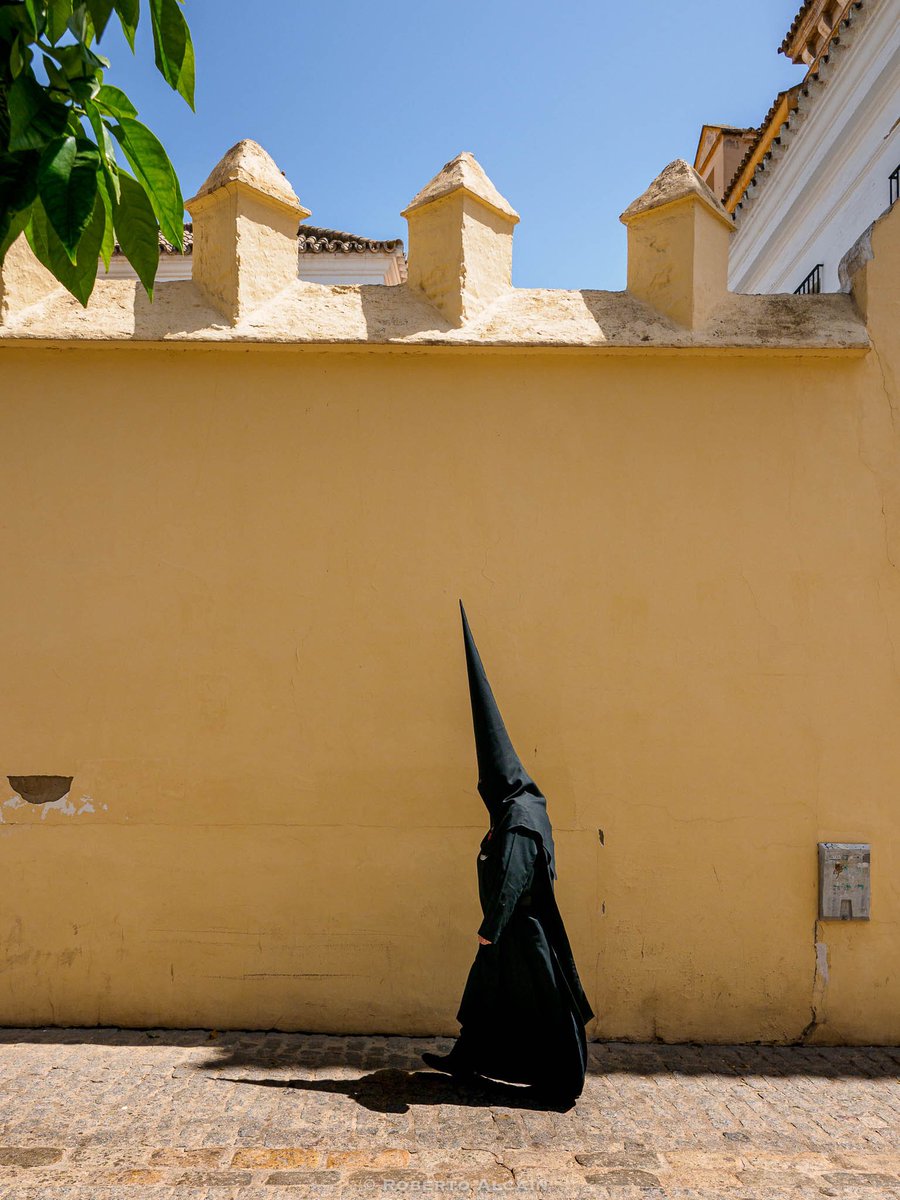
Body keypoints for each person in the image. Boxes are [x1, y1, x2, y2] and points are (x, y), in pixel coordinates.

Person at [422, 603, 594, 1107]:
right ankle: (467, 1059)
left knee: (542, 1007)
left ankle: (561, 1083)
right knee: (484, 1001)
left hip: (520, 931)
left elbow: (515, 876)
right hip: (510, 931)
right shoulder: (523, 807)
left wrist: (491, 927)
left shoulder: (518, 817)